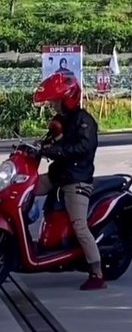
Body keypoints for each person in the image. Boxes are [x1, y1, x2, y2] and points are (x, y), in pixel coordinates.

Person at [33, 71, 105, 290]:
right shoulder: (60, 121)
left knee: (79, 226)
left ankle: (97, 272)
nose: (54, 105)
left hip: (77, 180)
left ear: (68, 98)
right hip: (58, 175)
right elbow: (49, 142)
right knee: (24, 190)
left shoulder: (85, 122)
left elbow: (83, 148)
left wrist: (56, 149)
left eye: (56, 101)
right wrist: (37, 146)